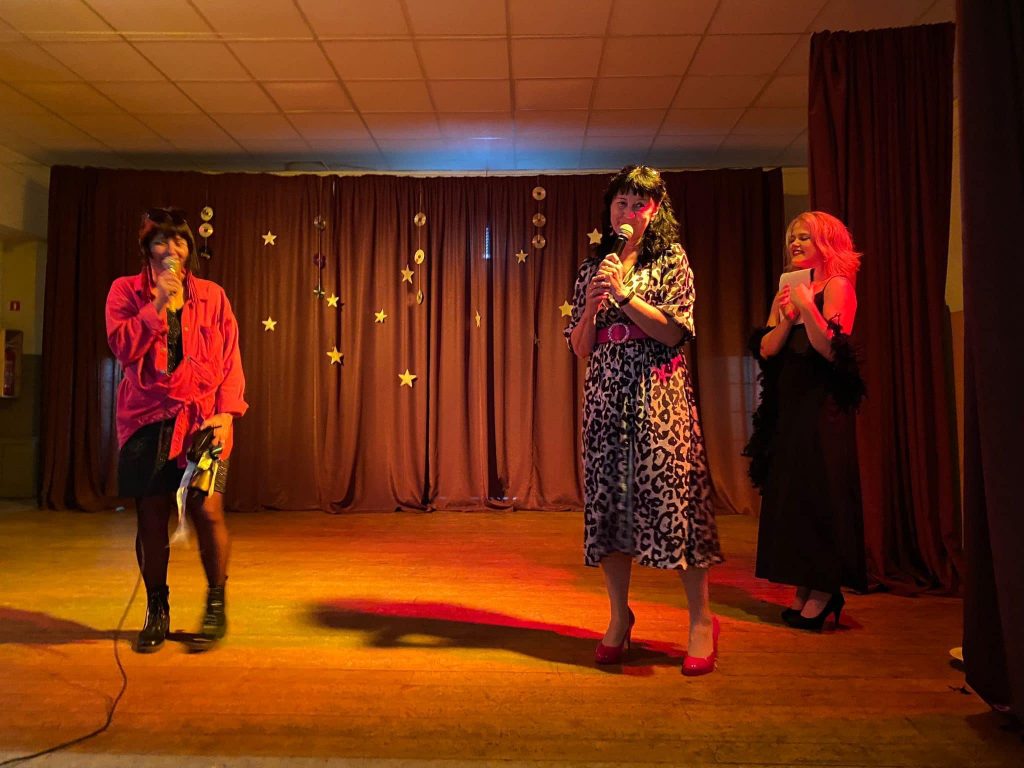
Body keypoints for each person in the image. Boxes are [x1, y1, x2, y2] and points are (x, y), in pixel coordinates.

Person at [565, 165, 723, 675]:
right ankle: (619, 617)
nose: (628, 212)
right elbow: (580, 347)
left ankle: (701, 620)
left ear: (655, 213)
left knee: (675, 502)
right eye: (621, 203)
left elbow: (674, 333)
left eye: (638, 205)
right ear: (610, 210)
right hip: (605, 399)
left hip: (658, 396)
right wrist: (590, 310)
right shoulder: (593, 269)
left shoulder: (671, 260)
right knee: (609, 507)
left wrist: (624, 296)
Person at [105, 207, 248, 653]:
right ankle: (156, 608)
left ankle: (216, 602)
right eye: (162, 241)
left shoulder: (213, 296)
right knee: (151, 515)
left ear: (189, 249)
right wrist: (157, 306)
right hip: (145, 419)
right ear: (148, 250)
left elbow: (230, 359)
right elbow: (122, 346)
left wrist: (227, 414)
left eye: (180, 241)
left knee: (208, 510)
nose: (172, 249)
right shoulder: (125, 291)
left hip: (203, 421)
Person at [746, 211, 867, 630]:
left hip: (821, 409)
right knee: (792, 497)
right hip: (788, 407)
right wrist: (787, 317)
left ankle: (825, 590)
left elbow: (832, 350)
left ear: (826, 243)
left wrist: (806, 309)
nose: (795, 244)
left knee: (819, 495)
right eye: (792, 237)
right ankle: (805, 585)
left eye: (805, 237)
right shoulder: (788, 290)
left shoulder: (838, 286)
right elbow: (766, 350)